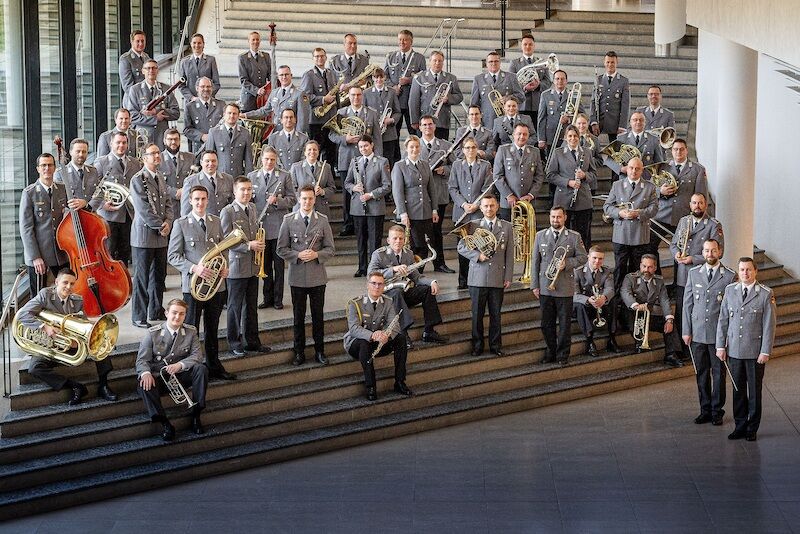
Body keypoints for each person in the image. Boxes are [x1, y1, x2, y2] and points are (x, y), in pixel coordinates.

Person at [17, 269, 116, 405]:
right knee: (35, 368)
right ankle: (74, 386)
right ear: (56, 282)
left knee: (99, 345)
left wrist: (77, 342)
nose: (69, 287)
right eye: (65, 282)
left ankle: (103, 386)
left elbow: (83, 327)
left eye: (72, 284)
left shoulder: (77, 301)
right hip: (47, 345)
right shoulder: (45, 295)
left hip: (68, 345)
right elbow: (22, 314)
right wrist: (44, 327)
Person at [168, 185, 235, 381]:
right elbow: (173, 256)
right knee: (191, 330)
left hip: (216, 286)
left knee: (213, 329)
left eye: (203, 199)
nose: (200, 203)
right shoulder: (181, 224)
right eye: (196, 199)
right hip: (193, 287)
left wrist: (225, 267)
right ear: (190, 200)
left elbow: (224, 248)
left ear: (208, 200)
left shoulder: (215, 221)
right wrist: (194, 268)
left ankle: (214, 366)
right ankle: (192, 370)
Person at [716, 257, 776, 441]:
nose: (745, 273)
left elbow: (769, 325)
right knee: (738, 390)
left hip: (754, 352)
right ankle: (740, 426)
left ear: (755, 271)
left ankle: (752, 428)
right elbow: (723, 320)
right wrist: (720, 345)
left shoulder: (765, 294)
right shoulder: (730, 290)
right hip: (734, 351)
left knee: (754, 392)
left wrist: (765, 351)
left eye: (748, 269)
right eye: (742, 269)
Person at [277, 185, 336, 366]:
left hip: (317, 276)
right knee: (298, 317)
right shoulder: (288, 220)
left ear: (314, 200)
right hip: (297, 277)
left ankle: (320, 351)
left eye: (310, 199)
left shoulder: (322, 220)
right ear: (299, 199)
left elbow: (331, 249)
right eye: (304, 199)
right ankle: (299, 352)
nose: (307, 202)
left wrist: (317, 255)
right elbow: (281, 249)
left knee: (318, 316)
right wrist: (297, 256)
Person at [136, 298, 209, 441]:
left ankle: (196, 415)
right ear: (166, 313)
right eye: (174, 313)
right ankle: (165, 424)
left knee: (201, 369)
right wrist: (145, 373)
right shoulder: (153, 333)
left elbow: (197, 356)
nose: (177, 317)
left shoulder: (190, 331)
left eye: (182, 314)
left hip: (180, 376)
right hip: (160, 378)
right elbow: (142, 360)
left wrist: (179, 365)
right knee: (143, 383)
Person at [682, 239, 735, 426]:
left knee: (719, 374)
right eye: (706, 251)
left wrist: (728, 337)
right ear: (702, 253)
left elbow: (731, 311)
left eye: (713, 250)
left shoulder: (729, 276)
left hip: (718, 335)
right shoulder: (694, 273)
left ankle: (716, 411)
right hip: (697, 333)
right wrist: (686, 330)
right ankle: (704, 410)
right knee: (701, 373)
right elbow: (687, 304)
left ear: (719, 252)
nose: (710, 254)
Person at [369, 225, 449, 348]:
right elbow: (370, 275)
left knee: (427, 290)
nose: (398, 241)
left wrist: (432, 281)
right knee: (396, 293)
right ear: (388, 240)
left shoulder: (408, 253)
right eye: (394, 238)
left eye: (401, 238)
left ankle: (429, 331)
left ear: (404, 240)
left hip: (401, 291)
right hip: (385, 294)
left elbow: (416, 277)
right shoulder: (379, 254)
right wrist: (393, 270)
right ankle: (402, 334)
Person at [457, 195, 515, 356]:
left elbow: (509, 254)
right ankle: (477, 346)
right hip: (477, 278)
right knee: (477, 315)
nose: (489, 209)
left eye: (492, 205)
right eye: (486, 206)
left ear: (497, 206)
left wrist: (508, 276)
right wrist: (477, 256)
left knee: (496, 315)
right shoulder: (473, 225)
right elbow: (461, 247)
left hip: (497, 277)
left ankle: (496, 346)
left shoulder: (507, 226)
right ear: (481, 208)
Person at [220, 176, 271, 357]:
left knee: (251, 306)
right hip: (236, 266)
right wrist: (249, 245)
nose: (247, 192)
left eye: (249, 189)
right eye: (243, 189)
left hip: (252, 266)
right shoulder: (228, 212)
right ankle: (234, 342)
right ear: (235, 191)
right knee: (234, 307)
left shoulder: (252, 208)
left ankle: (252, 341)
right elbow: (226, 241)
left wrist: (257, 243)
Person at [532, 206, 588, 365]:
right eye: (553, 217)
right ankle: (551, 351)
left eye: (558, 217)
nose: (555, 220)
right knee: (546, 324)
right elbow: (535, 262)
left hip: (564, 287)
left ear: (565, 218)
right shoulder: (540, 236)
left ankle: (563, 354)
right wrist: (535, 285)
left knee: (564, 325)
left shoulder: (574, 237)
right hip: (545, 286)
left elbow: (583, 258)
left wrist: (568, 263)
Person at [344, 272, 412, 401]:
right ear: (367, 285)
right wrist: (373, 335)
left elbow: (394, 324)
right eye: (373, 283)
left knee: (401, 338)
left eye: (380, 284)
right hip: (357, 344)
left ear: (384, 286)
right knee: (364, 343)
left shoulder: (388, 301)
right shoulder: (355, 303)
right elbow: (353, 329)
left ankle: (400, 382)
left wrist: (386, 334)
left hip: (380, 342)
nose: (377, 286)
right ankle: (371, 387)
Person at [652, 138, 712, 277]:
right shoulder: (663, 167)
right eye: (675, 149)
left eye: (681, 149)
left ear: (687, 150)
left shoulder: (697, 169)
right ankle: (657, 279)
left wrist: (700, 218)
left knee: (681, 250)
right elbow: (651, 189)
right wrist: (660, 191)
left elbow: (701, 196)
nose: (678, 152)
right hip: (661, 215)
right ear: (671, 151)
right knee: (650, 247)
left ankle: (676, 284)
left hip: (683, 217)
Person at [670, 193, 724, 345]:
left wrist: (693, 259)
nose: (697, 206)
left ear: (705, 205)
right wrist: (677, 254)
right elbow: (673, 244)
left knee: (699, 311)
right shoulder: (683, 221)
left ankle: (698, 344)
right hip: (683, 274)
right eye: (694, 203)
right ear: (690, 204)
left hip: (702, 276)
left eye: (700, 203)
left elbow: (720, 252)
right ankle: (680, 347)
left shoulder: (714, 225)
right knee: (682, 310)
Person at [130, 143, 174, 328]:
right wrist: (160, 225)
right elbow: (143, 209)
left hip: (160, 235)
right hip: (144, 236)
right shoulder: (138, 179)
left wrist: (169, 222)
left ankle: (156, 310)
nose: (157, 156)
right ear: (144, 158)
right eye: (152, 153)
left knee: (158, 276)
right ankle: (139, 316)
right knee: (142, 278)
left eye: (158, 153)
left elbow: (168, 203)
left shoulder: (160, 177)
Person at [329, 86, 382, 236]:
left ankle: (364, 222)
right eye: (353, 95)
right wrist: (344, 139)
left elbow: (377, 138)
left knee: (366, 188)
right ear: (349, 97)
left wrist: (379, 159)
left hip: (367, 160)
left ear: (362, 96)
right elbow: (331, 136)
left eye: (359, 95)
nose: (356, 98)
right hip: (346, 159)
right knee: (348, 193)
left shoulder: (371, 113)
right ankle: (348, 224)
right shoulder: (341, 113)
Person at [248, 145, 295, 310]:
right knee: (264, 266)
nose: (269, 162)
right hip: (260, 228)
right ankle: (266, 298)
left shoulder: (284, 176)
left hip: (278, 228)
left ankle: (277, 299)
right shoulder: (252, 176)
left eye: (272, 160)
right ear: (261, 159)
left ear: (276, 161)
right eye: (267, 159)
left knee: (279, 266)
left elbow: (292, 199)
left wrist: (277, 201)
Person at [602, 157, 657, 291]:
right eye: (631, 168)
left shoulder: (649, 187)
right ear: (627, 169)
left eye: (637, 168)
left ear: (642, 170)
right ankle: (617, 300)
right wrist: (620, 213)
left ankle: (633, 299)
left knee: (636, 271)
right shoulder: (617, 185)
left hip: (640, 236)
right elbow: (607, 206)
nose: (634, 171)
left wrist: (639, 213)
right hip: (621, 235)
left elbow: (654, 209)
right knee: (619, 269)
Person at [620, 254, 684, 367]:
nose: (646, 270)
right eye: (644, 266)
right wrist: (635, 305)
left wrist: (669, 319)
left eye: (649, 267)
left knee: (669, 325)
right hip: (634, 315)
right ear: (640, 265)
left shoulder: (658, 281)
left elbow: (664, 300)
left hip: (650, 314)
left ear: (655, 268)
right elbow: (625, 293)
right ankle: (639, 342)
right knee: (633, 316)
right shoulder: (630, 278)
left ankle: (671, 354)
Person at [20, 153, 69, 294]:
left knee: (63, 293)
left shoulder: (62, 189)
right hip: (40, 256)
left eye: (50, 165)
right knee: (39, 297)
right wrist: (35, 257)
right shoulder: (29, 193)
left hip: (61, 253)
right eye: (43, 165)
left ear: (54, 168)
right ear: (38, 169)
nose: (47, 168)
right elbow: (26, 229)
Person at [449, 137, 493, 289]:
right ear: (462, 150)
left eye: (473, 147)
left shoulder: (485, 165)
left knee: (478, 248)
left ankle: (477, 280)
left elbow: (487, 189)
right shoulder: (456, 165)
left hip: (478, 215)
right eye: (467, 148)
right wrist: (463, 204)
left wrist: (478, 204)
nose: (470, 150)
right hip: (461, 213)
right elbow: (452, 188)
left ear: (477, 149)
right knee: (463, 249)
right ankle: (463, 281)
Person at [344, 135, 391, 277]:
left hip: (375, 207)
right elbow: (347, 182)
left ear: (372, 145)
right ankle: (362, 267)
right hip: (358, 207)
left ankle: (374, 268)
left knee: (375, 241)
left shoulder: (382, 162)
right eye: (361, 147)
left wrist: (371, 195)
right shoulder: (355, 161)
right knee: (361, 240)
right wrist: (354, 188)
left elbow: (387, 185)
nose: (363, 149)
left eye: (366, 146)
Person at [94, 131, 142, 264]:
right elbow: (93, 187)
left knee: (125, 253)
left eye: (124, 143)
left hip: (128, 214)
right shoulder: (101, 162)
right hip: (109, 216)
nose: (121, 145)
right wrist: (102, 204)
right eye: (118, 143)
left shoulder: (135, 163)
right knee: (108, 253)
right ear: (111, 144)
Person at [546, 125, 596, 248]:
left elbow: (594, 174)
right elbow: (550, 175)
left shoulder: (587, 152)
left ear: (579, 137)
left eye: (575, 136)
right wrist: (568, 182)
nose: (573, 138)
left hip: (583, 199)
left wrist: (585, 175)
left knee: (583, 234)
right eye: (570, 136)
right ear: (565, 138)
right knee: (563, 233)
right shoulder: (558, 153)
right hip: (563, 199)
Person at [392, 136, 438, 263]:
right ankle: (412, 275)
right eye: (411, 147)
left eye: (417, 146)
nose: (414, 149)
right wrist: (403, 213)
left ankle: (419, 273)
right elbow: (398, 192)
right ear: (406, 148)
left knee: (424, 245)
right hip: (410, 213)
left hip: (426, 211)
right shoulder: (399, 166)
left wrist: (434, 210)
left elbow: (432, 189)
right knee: (413, 246)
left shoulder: (425, 165)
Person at [418, 115, 455, 274]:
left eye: (430, 124)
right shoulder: (414, 145)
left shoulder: (445, 145)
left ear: (435, 126)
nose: (428, 127)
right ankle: (419, 264)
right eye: (424, 125)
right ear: (419, 127)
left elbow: (455, 166)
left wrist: (444, 170)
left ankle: (439, 263)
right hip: (420, 196)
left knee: (436, 231)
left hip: (439, 194)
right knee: (420, 232)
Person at [124, 59, 180, 150]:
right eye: (148, 68)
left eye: (154, 68)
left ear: (158, 70)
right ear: (143, 71)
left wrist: (156, 111)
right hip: (143, 137)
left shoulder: (166, 88)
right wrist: (155, 118)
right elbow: (132, 116)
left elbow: (176, 113)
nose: (151, 71)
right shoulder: (135, 90)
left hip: (161, 137)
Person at [574, 246, 620, 357]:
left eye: (600, 259)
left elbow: (610, 289)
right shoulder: (578, 271)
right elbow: (574, 294)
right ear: (588, 257)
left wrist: (603, 298)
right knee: (579, 305)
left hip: (600, 303)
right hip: (585, 304)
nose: (597, 261)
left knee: (613, 301)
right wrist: (588, 300)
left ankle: (612, 337)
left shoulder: (607, 271)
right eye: (594, 258)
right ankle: (590, 340)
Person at [494, 124, 544, 221]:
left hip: (528, 203)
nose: (522, 137)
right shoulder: (503, 150)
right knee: (508, 234)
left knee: (527, 235)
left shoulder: (535, 152)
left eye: (525, 134)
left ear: (528, 136)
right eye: (519, 134)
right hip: (508, 203)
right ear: (513, 135)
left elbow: (539, 176)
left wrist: (531, 195)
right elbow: (497, 176)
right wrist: (509, 195)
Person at [409, 50, 463, 139]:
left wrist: (448, 98)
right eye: (435, 60)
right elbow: (413, 101)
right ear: (430, 62)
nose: (437, 63)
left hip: (442, 121)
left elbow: (459, 97)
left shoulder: (451, 78)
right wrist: (414, 120)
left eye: (440, 61)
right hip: (424, 121)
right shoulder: (419, 77)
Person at [245, 65, 311, 134]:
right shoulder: (274, 93)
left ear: (291, 75)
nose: (284, 77)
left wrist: (298, 137)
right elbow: (264, 111)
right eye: (281, 75)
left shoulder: (299, 94)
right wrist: (246, 115)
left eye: (286, 74)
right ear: (278, 77)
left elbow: (302, 120)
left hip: (292, 134)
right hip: (276, 134)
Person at [385, 29, 426, 137]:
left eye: (405, 40)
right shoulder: (390, 57)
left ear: (411, 42)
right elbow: (385, 76)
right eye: (400, 39)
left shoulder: (419, 58)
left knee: (414, 132)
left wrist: (410, 80)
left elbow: (424, 78)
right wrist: (393, 87)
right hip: (395, 101)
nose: (402, 42)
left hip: (411, 102)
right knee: (393, 133)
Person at [300, 47, 339, 164]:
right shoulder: (308, 75)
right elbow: (305, 97)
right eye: (317, 56)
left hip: (331, 120)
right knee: (315, 153)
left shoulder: (331, 74)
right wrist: (323, 99)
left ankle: (329, 179)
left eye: (322, 56)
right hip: (317, 122)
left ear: (326, 58)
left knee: (331, 153)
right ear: (313, 59)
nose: (320, 58)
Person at [470, 51, 524, 128]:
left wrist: (508, 99)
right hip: (486, 121)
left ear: (500, 62)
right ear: (486, 63)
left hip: (507, 120)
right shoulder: (478, 79)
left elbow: (521, 97)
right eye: (490, 61)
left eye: (496, 61)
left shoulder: (511, 77)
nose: (493, 63)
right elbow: (474, 104)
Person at [537, 70, 583, 157]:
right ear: (553, 81)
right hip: (551, 136)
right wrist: (541, 139)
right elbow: (541, 118)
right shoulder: (545, 95)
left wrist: (569, 119)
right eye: (557, 79)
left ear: (566, 81)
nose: (560, 81)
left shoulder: (573, 95)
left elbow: (582, 115)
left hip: (568, 137)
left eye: (562, 79)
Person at [604, 111, 664, 178]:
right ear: (630, 122)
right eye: (635, 120)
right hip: (626, 179)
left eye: (641, 120)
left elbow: (659, 163)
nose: (638, 122)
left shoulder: (654, 139)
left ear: (645, 123)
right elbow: (609, 159)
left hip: (646, 181)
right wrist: (620, 169)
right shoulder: (621, 138)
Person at [508, 34, 552, 123]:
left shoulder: (542, 62)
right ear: (521, 46)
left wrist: (538, 85)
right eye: (525, 44)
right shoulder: (514, 63)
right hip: (521, 105)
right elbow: (510, 84)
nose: (527, 47)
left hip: (538, 105)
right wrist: (524, 88)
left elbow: (548, 82)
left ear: (534, 46)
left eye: (530, 44)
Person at [589, 50, 630, 142]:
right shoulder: (598, 79)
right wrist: (593, 121)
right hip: (599, 122)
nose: (610, 64)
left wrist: (622, 126)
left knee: (615, 152)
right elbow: (593, 102)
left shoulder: (623, 81)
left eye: (612, 62)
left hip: (614, 124)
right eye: (608, 62)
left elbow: (625, 106)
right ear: (604, 63)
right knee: (590, 145)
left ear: (617, 63)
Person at [363, 68, 401, 166]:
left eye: (381, 77)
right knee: (374, 162)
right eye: (376, 77)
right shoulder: (366, 93)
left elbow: (398, 112)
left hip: (389, 134)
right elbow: (364, 112)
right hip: (373, 134)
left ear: (385, 78)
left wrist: (391, 119)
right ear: (372, 78)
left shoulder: (391, 92)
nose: (379, 80)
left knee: (389, 161)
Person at [204, 103, 253, 178]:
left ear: (238, 115)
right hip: (220, 178)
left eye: (234, 113)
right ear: (224, 114)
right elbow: (209, 158)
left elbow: (248, 160)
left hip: (238, 178)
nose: (232, 116)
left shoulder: (245, 133)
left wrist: (248, 178)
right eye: (229, 113)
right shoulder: (214, 132)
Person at [290, 140, 336, 218]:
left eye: (315, 149)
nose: (312, 152)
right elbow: (291, 189)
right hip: (301, 208)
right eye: (309, 149)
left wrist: (323, 191)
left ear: (318, 152)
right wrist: (302, 197)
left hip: (320, 209)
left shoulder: (326, 167)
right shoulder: (296, 167)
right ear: (304, 152)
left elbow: (332, 188)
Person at [54, 138, 102, 212]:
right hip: (70, 216)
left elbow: (99, 194)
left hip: (90, 216)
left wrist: (86, 204)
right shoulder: (60, 173)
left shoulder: (93, 171)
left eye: (84, 152)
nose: (81, 154)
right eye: (78, 151)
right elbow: (58, 198)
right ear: (70, 152)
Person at [180, 150, 234, 217]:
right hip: (204, 224)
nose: (211, 164)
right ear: (201, 162)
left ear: (217, 162)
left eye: (213, 161)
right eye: (207, 161)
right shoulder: (191, 181)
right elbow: (185, 211)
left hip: (224, 223)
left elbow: (233, 204)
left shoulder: (228, 179)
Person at [160, 128, 196, 222]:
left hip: (187, 207)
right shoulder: (158, 159)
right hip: (167, 208)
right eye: (170, 139)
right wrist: (174, 192)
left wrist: (185, 191)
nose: (173, 142)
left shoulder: (190, 157)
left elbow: (196, 179)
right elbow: (157, 183)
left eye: (176, 139)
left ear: (180, 141)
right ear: (164, 141)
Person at [183, 77, 225, 154]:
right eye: (202, 86)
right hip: (199, 149)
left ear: (212, 88)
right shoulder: (190, 107)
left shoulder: (221, 105)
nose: (206, 89)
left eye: (208, 86)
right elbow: (187, 130)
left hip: (219, 148)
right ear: (197, 88)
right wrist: (201, 136)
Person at [178, 33, 221, 102]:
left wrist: (206, 96)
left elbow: (216, 84)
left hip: (207, 101)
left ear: (203, 44)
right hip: (191, 102)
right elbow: (181, 85)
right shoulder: (184, 62)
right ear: (191, 44)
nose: (197, 45)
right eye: (194, 43)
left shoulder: (211, 60)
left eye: (199, 43)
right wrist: (191, 97)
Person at [238, 31, 272, 113]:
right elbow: (243, 80)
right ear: (248, 41)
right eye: (253, 40)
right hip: (249, 98)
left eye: (257, 39)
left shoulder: (265, 56)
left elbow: (270, 75)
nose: (255, 42)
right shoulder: (243, 58)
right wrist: (257, 90)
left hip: (263, 98)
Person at [119, 30, 149, 95]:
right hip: (134, 100)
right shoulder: (125, 59)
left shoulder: (146, 56)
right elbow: (128, 87)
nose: (141, 44)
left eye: (143, 41)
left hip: (147, 98)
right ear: (132, 42)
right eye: (137, 41)